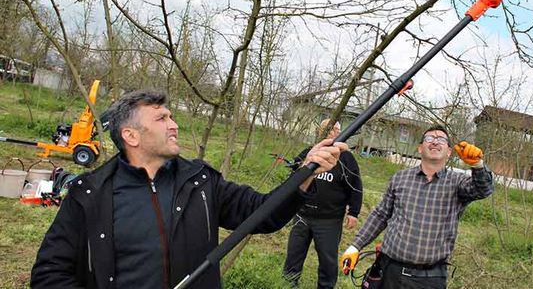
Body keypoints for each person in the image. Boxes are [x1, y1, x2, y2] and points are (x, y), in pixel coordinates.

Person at [30, 90, 347, 289]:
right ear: (131, 136)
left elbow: (263, 213)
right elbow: (49, 272)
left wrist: (307, 171)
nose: (174, 124)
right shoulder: (90, 193)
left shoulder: (201, 182)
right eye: (161, 118)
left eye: (171, 116)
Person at [340, 125, 494, 289]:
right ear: (420, 148)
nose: (435, 142)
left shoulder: (458, 183)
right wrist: (355, 246)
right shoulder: (400, 178)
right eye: (429, 138)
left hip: (429, 279)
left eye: (441, 139)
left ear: (449, 152)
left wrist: (478, 166)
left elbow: (483, 189)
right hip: (389, 270)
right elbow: (381, 215)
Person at [283, 118, 363, 288]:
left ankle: (326, 286)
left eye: (334, 129)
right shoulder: (308, 153)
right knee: (293, 256)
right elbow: (293, 180)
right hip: (301, 216)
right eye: (327, 129)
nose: (331, 132)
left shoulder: (346, 158)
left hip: (329, 220)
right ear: (319, 131)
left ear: (339, 133)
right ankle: (288, 284)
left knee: (328, 259)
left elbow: (356, 186)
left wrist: (353, 212)